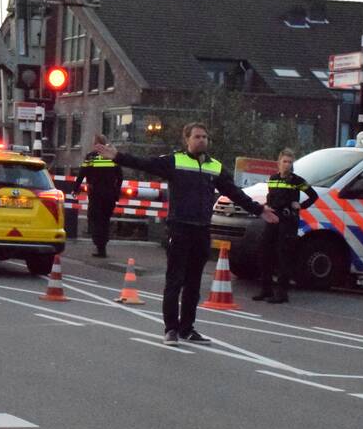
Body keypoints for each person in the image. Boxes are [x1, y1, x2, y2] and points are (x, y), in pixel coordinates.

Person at [95, 123, 278, 346]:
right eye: (197, 136)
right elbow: (145, 163)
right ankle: (171, 329)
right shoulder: (175, 161)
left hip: (202, 230)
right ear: (187, 139)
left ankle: (187, 328)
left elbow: (234, 193)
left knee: (193, 284)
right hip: (179, 229)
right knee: (175, 281)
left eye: (205, 137)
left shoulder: (215, 167)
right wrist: (118, 156)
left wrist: (259, 210)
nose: (202, 140)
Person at [253, 149, 318, 304]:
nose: (287, 165)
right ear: (279, 163)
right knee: (265, 252)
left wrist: (301, 205)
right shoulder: (273, 178)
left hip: (288, 221)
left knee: (284, 256)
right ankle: (266, 289)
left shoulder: (297, 181)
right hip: (273, 218)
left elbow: (313, 195)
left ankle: (282, 293)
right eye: (285, 161)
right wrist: (266, 206)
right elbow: (271, 197)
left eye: (290, 162)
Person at [73, 136, 124, 258]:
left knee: (94, 219)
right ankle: (103, 246)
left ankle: (99, 245)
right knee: (105, 221)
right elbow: (120, 176)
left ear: (97, 144)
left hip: (96, 194)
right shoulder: (112, 158)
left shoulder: (91, 157)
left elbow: (82, 173)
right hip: (109, 194)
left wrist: (75, 188)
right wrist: (116, 192)